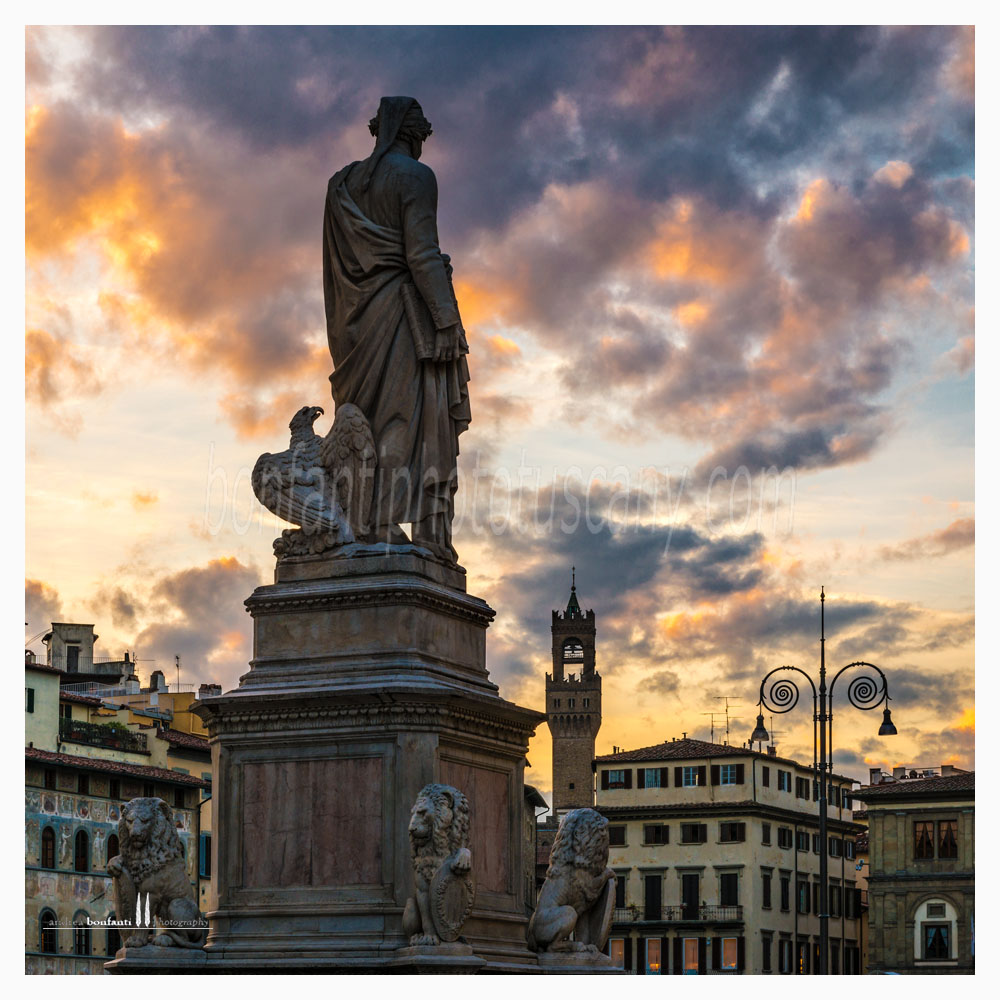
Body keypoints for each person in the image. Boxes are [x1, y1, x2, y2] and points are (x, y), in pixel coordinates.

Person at [323, 97, 469, 563]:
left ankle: (363, 523)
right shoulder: (415, 177)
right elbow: (421, 253)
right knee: (403, 420)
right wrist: (446, 319)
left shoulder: (341, 184)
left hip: (355, 322)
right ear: (414, 133)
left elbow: (335, 266)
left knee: (364, 419)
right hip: (406, 314)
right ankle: (384, 525)